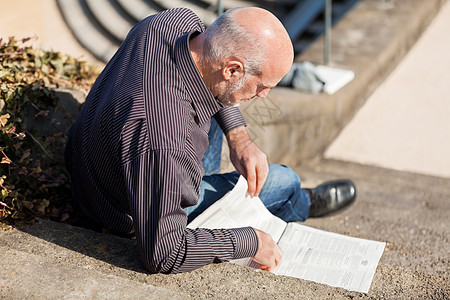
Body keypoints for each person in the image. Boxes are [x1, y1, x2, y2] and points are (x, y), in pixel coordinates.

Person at [65, 7, 356, 274]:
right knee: (283, 181)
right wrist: (248, 240)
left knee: (223, 101)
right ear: (232, 70)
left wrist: (238, 135)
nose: (264, 96)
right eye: (263, 86)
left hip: (94, 161)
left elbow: (213, 73)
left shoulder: (173, 23)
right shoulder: (165, 141)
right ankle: (299, 203)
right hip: (122, 207)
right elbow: (163, 254)